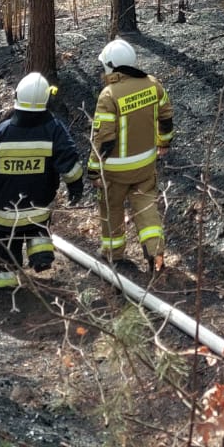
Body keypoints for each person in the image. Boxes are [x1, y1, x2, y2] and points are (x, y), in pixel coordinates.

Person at [0, 72, 86, 291]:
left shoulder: (3, 130)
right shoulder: (54, 128)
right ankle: (41, 255)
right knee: (37, 228)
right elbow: (69, 160)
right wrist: (75, 185)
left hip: (6, 209)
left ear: (17, 96)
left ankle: (6, 280)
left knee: (6, 242)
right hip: (39, 204)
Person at [89, 38, 173, 272]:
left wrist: (94, 170)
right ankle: (156, 254)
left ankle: (113, 255)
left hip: (115, 171)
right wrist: (164, 143)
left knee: (111, 208)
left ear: (111, 65)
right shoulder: (153, 85)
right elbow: (166, 116)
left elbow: (103, 139)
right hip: (145, 165)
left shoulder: (109, 95)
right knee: (146, 207)